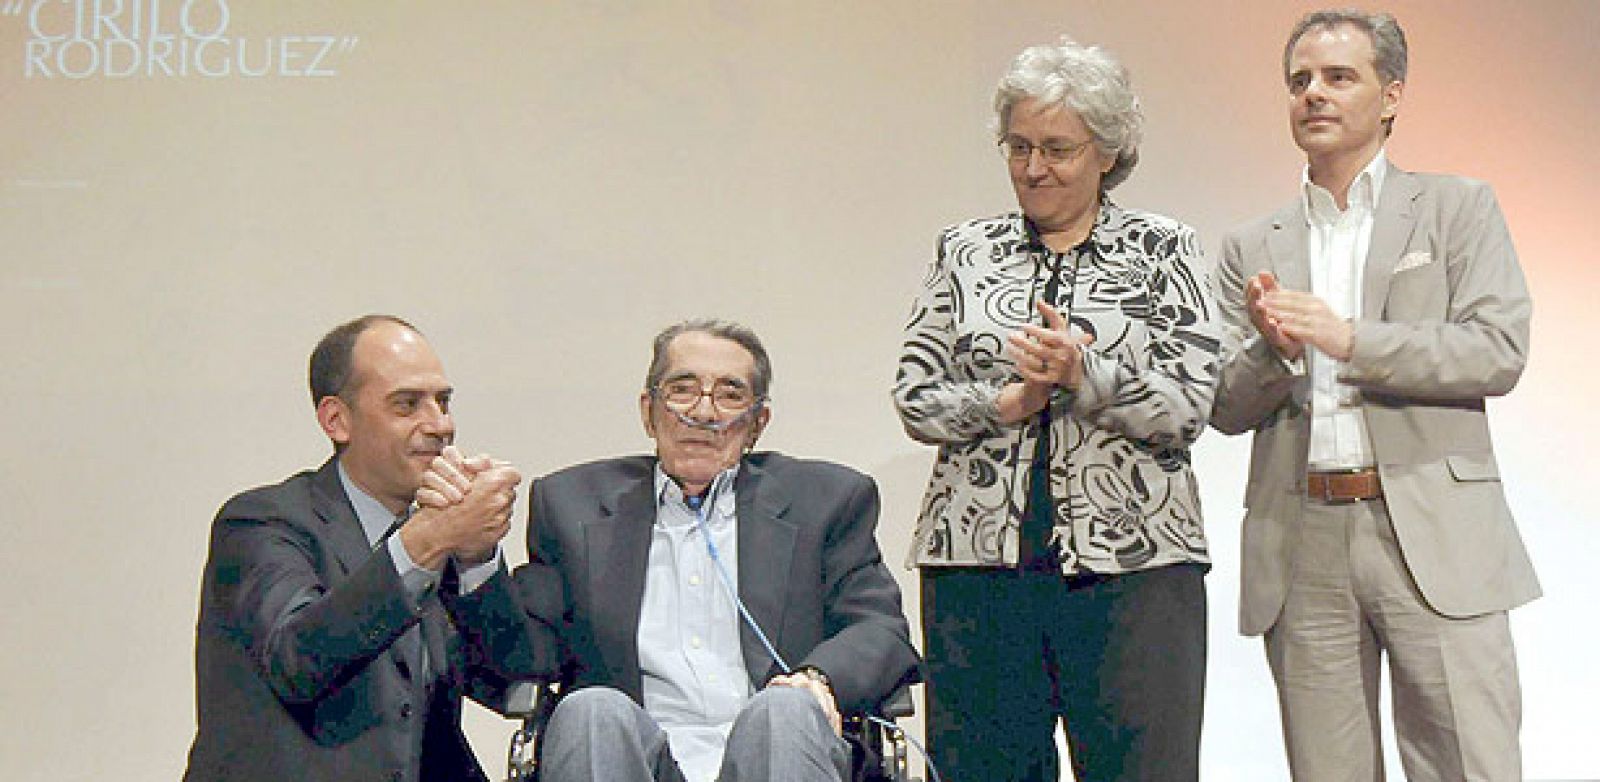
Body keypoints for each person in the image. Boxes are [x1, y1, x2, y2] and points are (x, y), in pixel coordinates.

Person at [1210, 9, 1539, 781]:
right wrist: (1275, 349)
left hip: (1432, 528)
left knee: (1467, 764)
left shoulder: (1457, 207)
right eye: (1299, 82)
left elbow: (1497, 349)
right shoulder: (1253, 245)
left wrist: (1348, 338)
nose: (1313, 95)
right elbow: (1224, 405)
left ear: (1391, 96)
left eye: (1337, 77)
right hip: (1303, 540)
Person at [893, 36, 1219, 781]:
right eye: (1019, 147)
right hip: (978, 570)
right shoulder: (965, 251)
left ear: (1106, 151)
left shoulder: (1164, 249)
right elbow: (914, 396)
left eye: (1057, 149)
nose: (1034, 168)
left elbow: (1190, 403)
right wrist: (1006, 401)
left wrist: (1083, 374)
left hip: (1135, 571)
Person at [497, 318, 918, 782]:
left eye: (730, 394)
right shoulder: (571, 504)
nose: (703, 412)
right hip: (631, 755)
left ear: (759, 422)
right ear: (648, 410)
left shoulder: (827, 501)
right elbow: (523, 652)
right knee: (592, 709)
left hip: (780, 752)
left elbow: (880, 629)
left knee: (783, 711)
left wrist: (817, 681)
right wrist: (476, 559)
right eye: (682, 389)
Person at [184, 315, 536, 782]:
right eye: (407, 404)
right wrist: (428, 541)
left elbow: (513, 685)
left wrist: (476, 560)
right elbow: (299, 659)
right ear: (337, 419)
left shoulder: (439, 536)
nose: (439, 425)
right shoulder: (261, 522)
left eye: (443, 402)